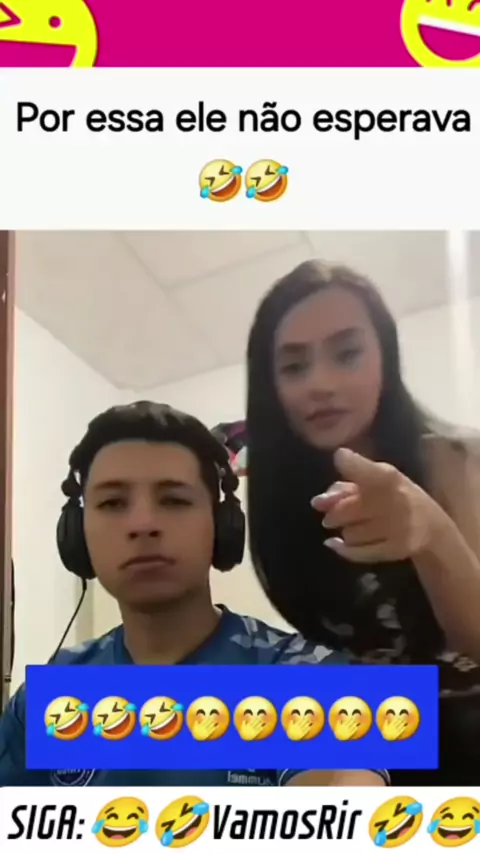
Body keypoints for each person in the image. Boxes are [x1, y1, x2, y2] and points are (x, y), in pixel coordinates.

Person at [0, 401, 387, 788]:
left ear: (220, 526)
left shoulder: (302, 672)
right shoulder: (51, 692)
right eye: (113, 503)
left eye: (174, 500)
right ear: (77, 534)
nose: (143, 524)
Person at [245, 259, 480, 786]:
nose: (321, 384)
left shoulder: (457, 462)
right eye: (294, 367)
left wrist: (432, 534)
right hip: (375, 741)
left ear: (385, 359)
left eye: (347, 354)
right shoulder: (284, 503)